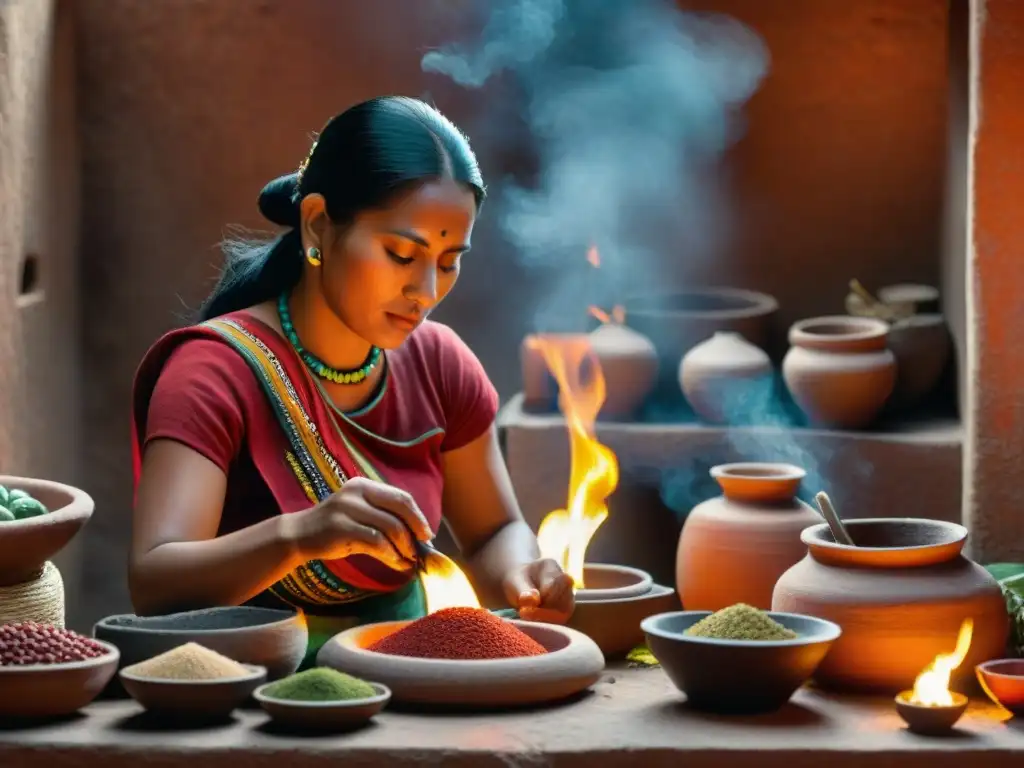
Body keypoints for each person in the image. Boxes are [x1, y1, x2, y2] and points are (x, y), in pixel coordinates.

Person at [129, 96, 574, 662]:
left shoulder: (440, 363)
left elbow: (493, 532)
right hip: (252, 693)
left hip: (412, 676)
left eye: (447, 261)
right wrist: (300, 536)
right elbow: (154, 581)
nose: (427, 292)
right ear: (317, 224)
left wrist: (524, 574)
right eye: (400, 253)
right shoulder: (213, 372)